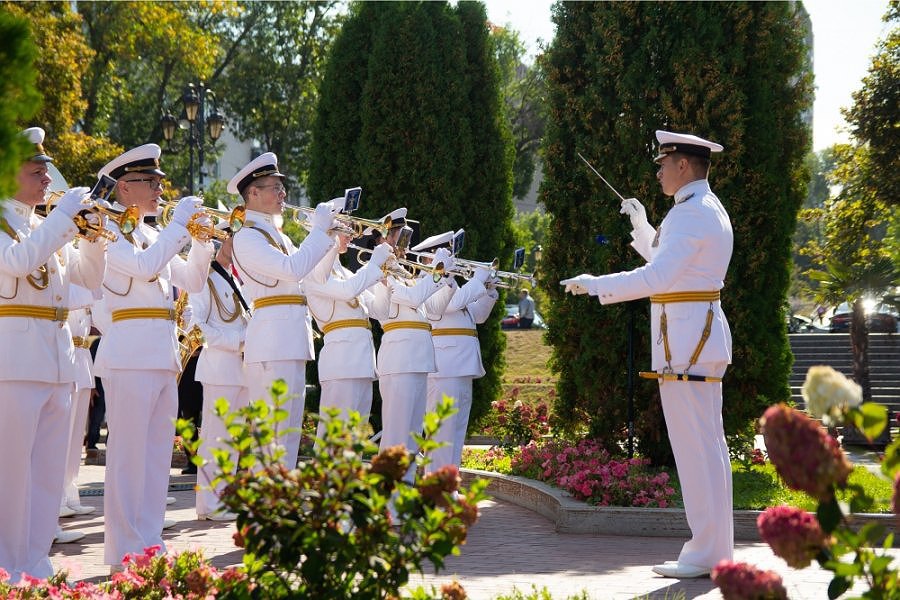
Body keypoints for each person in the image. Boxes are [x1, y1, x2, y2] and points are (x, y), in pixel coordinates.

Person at [561, 130, 733, 579]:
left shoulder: (692, 214)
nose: (657, 172)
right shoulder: (699, 209)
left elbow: (660, 275)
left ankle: (703, 552)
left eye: (663, 164)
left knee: (697, 451)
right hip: (695, 340)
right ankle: (714, 548)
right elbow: (675, 261)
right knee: (707, 448)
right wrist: (641, 225)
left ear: (682, 165)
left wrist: (598, 284)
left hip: (686, 346)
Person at [92, 143, 213, 573]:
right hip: (128, 354)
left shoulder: (147, 233)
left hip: (161, 354)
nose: (161, 189)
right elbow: (144, 267)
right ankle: (122, 551)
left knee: (158, 457)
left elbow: (194, 281)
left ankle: (148, 542)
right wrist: (179, 226)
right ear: (125, 187)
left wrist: (201, 241)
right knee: (127, 458)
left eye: (160, 181)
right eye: (152, 182)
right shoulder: (109, 232)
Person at [0, 127, 107, 582]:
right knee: (11, 469)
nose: (47, 178)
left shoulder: (42, 225)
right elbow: (16, 264)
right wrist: (64, 217)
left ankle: (36, 556)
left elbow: (86, 285)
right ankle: (7, 561)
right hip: (16, 360)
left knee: (46, 469)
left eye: (46, 169)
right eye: (37, 170)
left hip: (57, 358)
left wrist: (93, 237)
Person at [229, 152, 336, 468]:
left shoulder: (279, 235)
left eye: (281, 187)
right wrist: (318, 232)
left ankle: (280, 506)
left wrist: (329, 238)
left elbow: (309, 274)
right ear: (253, 194)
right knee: (272, 435)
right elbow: (292, 270)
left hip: (288, 340)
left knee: (287, 436)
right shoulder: (247, 237)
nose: (283, 194)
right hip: (272, 343)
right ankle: (265, 508)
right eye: (274, 187)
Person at [368, 216, 455, 482]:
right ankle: (385, 500)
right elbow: (413, 298)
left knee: (412, 436)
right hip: (399, 358)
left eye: (404, 237)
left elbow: (434, 310)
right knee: (395, 435)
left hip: (418, 358)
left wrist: (447, 278)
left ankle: (402, 500)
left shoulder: (407, 275)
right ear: (381, 240)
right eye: (397, 238)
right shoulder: (378, 273)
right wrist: (436, 272)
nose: (404, 246)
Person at [304, 209, 392, 444]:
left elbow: (379, 311)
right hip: (341, 361)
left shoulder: (344, 271)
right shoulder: (314, 272)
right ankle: (326, 481)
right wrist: (373, 265)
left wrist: (384, 280)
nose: (351, 235)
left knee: (353, 437)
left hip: (361, 360)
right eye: (343, 229)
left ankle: (344, 481)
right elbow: (348, 291)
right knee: (334, 435)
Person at [415, 231, 498, 470]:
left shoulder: (451, 283)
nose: (452, 258)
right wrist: (478, 281)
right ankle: (436, 486)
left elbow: (478, 316)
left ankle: (450, 485)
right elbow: (451, 304)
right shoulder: (427, 282)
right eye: (446, 253)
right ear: (430, 258)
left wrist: (489, 290)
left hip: (462, 364)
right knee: (441, 433)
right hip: (445, 365)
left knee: (457, 431)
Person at [190, 233, 249, 521]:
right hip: (219, 366)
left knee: (232, 438)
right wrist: (237, 340)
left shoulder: (237, 279)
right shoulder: (203, 278)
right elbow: (195, 326)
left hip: (240, 369)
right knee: (215, 436)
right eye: (233, 241)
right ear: (220, 242)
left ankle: (223, 497)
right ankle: (209, 504)